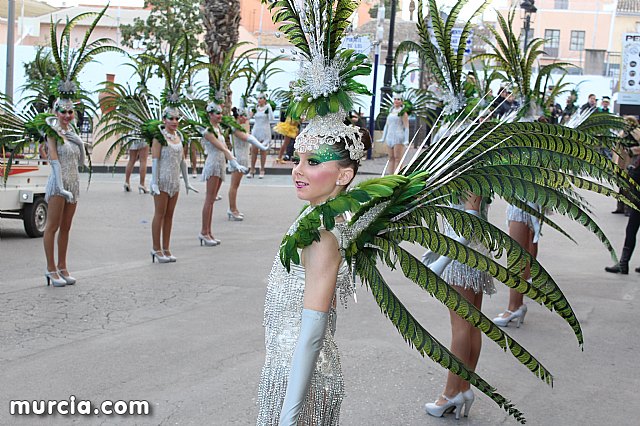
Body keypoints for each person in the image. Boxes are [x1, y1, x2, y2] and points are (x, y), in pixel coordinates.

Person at [257, 116, 372, 424]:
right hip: (291, 367)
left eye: (313, 161)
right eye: (298, 158)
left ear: (343, 175)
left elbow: (313, 332)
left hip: (302, 376)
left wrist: (289, 416)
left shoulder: (322, 236)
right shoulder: (316, 217)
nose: (298, 169)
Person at [424, 195, 493, 419]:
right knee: (472, 326)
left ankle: (451, 392)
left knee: (462, 327)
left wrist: (442, 260)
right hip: (475, 252)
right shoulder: (480, 165)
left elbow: (471, 215)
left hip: (461, 257)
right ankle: (463, 388)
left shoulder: (472, 166)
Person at [43, 99, 86, 287]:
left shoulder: (72, 133)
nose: (67, 116)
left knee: (66, 227)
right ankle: (51, 268)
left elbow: (81, 163)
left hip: (73, 184)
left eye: (70, 112)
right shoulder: (52, 133)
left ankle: (62, 266)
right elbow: (53, 160)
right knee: (52, 226)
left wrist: (82, 145)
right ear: (56, 113)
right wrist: (60, 188)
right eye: (63, 112)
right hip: (58, 185)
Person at [149, 107, 198, 263]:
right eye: (171, 118)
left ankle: (167, 248)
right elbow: (155, 161)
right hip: (162, 180)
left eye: (177, 119)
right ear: (164, 119)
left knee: (169, 215)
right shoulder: (159, 137)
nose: (175, 122)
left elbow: (182, 161)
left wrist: (187, 181)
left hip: (175, 181)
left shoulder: (179, 136)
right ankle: (156, 249)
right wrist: (154, 182)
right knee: (160, 213)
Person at [492, 202, 541, 327]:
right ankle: (516, 304)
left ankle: (514, 307)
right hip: (525, 200)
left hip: (522, 200)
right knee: (521, 253)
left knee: (516, 258)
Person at [228, 106, 268, 220]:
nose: (246, 118)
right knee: (234, 185)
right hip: (238, 158)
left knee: (236, 185)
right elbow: (249, 138)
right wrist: (262, 147)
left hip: (243, 157)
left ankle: (232, 208)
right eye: (244, 116)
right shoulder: (234, 128)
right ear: (239, 117)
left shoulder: (239, 126)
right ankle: (232, 209)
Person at [379, 93, 409, 174]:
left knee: (397, 158)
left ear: (402, 101)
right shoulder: (391, 111)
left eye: (398, 99)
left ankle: (397, 175)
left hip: (398, 136)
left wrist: (406, 139)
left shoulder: (403, 112)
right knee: (391, 158)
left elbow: (406, 127)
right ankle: (390, 176)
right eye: (395, 99)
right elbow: (386, 125)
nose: (396, 101)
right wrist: (383, 137)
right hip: (390, 136)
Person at [249, 93, 274, 179]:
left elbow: (271, 118)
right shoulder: (256, 108)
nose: (259, 100)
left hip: (265, 131)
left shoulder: (267, 107)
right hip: (256, 130)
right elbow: (249, 117)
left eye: (261, 98)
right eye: (258, 98)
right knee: (254, 151)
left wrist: (269, 108)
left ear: (264, 99)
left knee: (263, 151)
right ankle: (252, 170)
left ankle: (262, 169)